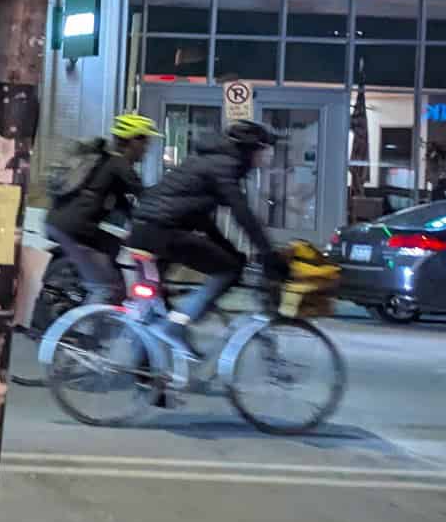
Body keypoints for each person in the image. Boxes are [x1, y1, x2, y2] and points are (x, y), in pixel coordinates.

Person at [127, 117, 286, 354]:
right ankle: (177, 324)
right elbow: (242, 213)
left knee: (153, 304)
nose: (265, 157)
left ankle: (144, 376)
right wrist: (268, 253)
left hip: (143, 230)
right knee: (229, 269)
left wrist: (228, 247)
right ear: (250, 149)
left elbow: (201, 217)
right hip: (162, 232)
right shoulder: (225, 166)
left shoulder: (207, 161)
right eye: (264, 150)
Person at [44, 112, 155, 303]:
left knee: (115, 245)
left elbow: (125, 204)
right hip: (74, 229)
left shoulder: (108, 162)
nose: (146, 148)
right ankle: (85, 326)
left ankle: (101, 284)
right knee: (106, 286)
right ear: (132, 141)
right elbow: (147, 197)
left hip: (64, 223)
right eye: (144, 142)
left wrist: (137, 225)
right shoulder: (120, 165)